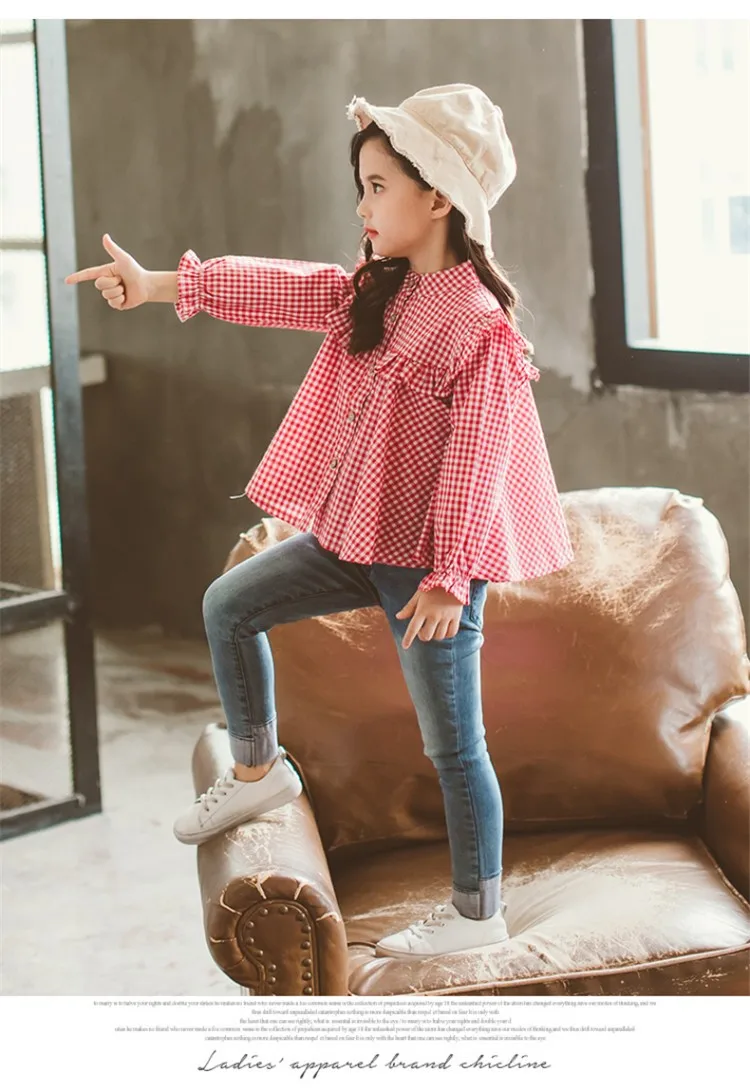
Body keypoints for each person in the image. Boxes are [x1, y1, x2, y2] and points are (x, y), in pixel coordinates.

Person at [65, 83, 574, 959]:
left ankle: (477, 911)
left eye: (378, 187)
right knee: (230, 604)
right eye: (361, 187)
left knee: (454, 746)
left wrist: (452, 577)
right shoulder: (379, 292)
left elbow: (476, 459)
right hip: (357, 541)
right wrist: (160, 285)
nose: (362, 206)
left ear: (439, 197)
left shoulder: (479, 327)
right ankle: (258, 770)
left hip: (428, 574)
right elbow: (284, 287)